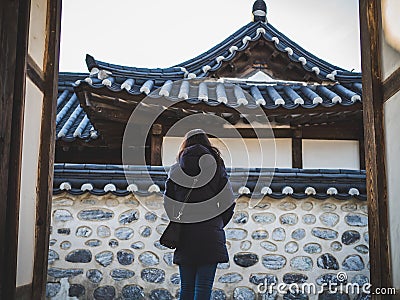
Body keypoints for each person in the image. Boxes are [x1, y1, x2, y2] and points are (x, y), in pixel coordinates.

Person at [164, 129, 236, 300]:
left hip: (185, 233)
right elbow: (228, 202)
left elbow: (168, 203)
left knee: (186, 288)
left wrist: (179, 220)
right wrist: (217, 222)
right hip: (210, 233)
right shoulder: (217, 166)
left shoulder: (176, 170)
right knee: (203, 288)